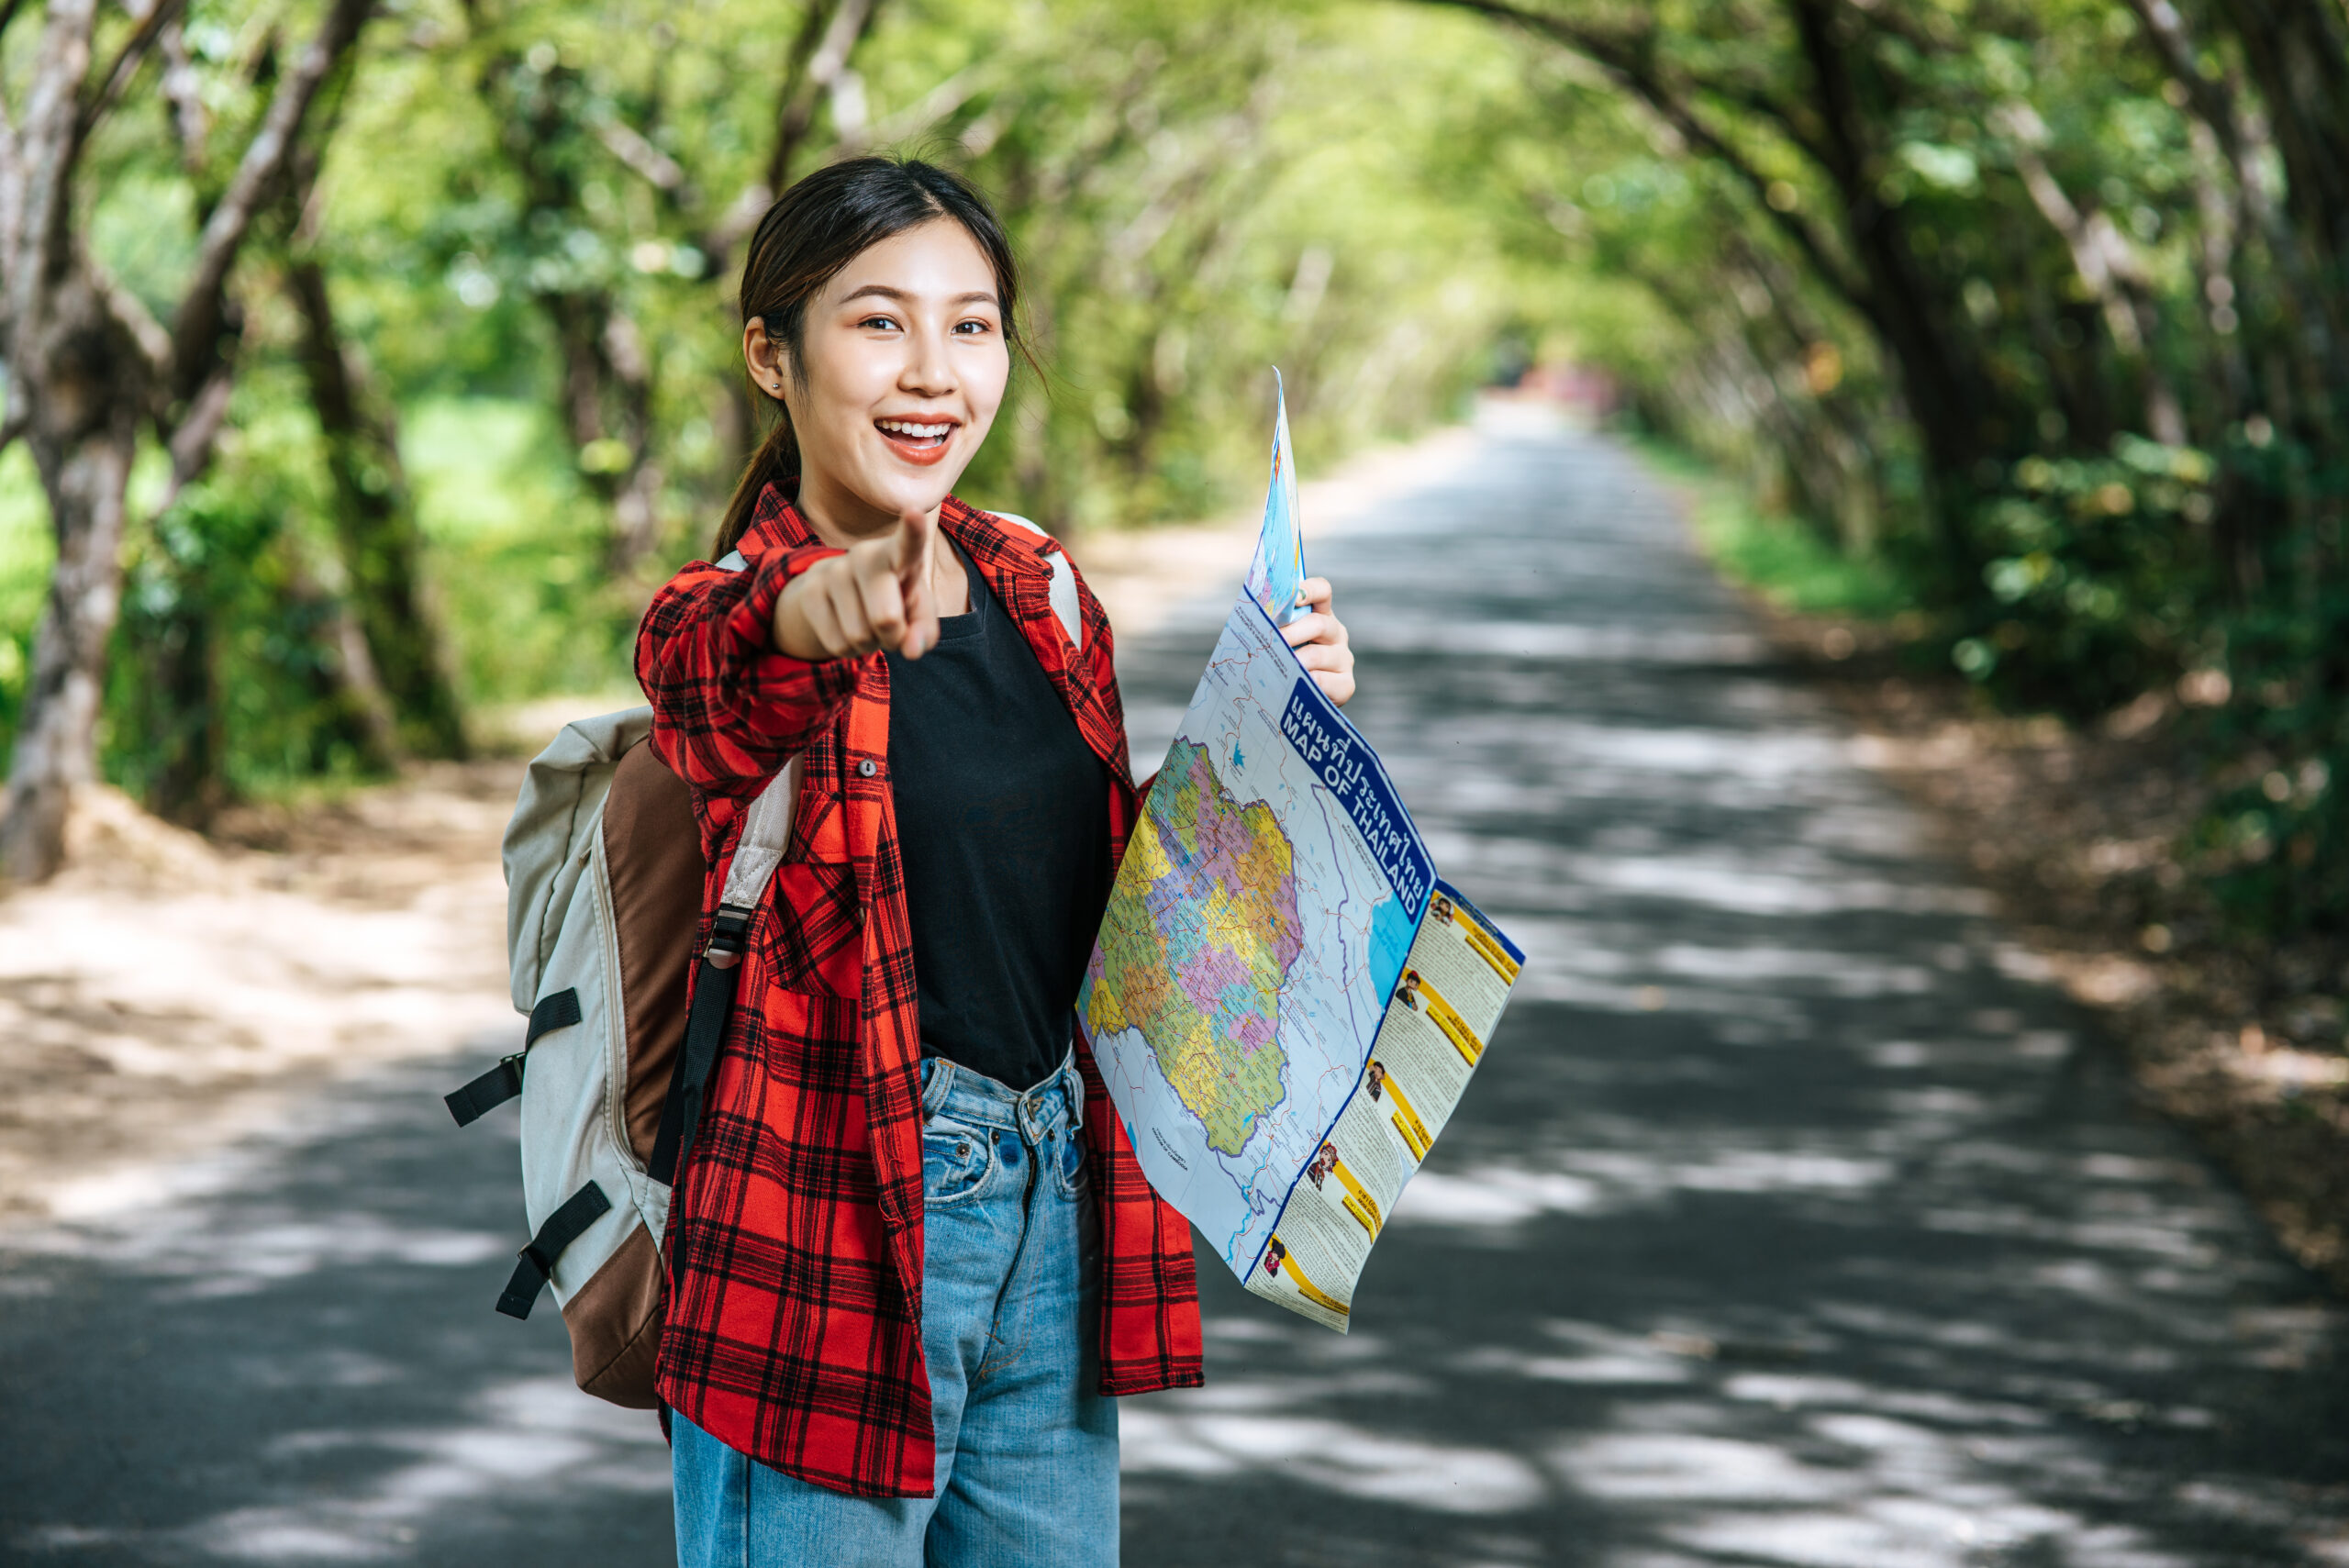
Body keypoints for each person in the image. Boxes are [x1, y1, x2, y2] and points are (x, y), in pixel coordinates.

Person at [636, 156, 1359, 1567]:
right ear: (770, 356)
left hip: (1056, 1200)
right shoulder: (723, 609)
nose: (934, 371)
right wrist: (818, 605)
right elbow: (714, 688)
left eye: (972, 325)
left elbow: (1099, 887)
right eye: (878, 322)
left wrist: (1281, 732)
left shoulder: (1042, 587)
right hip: (826, 1219)